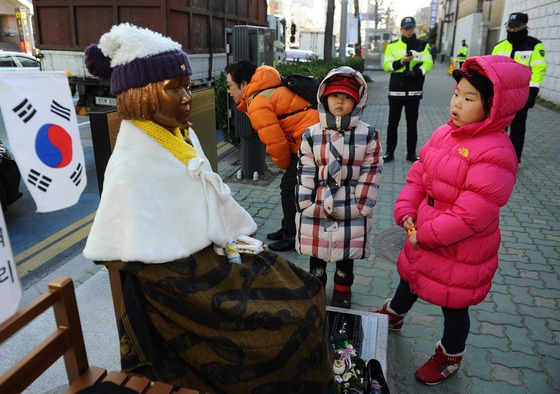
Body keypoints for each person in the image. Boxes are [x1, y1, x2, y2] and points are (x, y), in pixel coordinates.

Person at [83, 23, 333, 393]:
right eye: (174, 88)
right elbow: (144, 255)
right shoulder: (132, 160)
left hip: (210, 255)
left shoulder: (178, 134)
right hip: (177, 282)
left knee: (308, 288)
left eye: (187, 86)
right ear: (141, 95)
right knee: (293, 320)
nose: (187, 97)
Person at [373, 55, 530, 385]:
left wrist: (426, 234)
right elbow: (419, 176)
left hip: (462, 246)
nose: (457, 103)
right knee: (412, 275)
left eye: (469, 98)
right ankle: (395, 314)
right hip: (426, 230)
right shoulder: (447, 133)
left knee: (455, 303)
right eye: (456, 93)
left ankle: (451, 354)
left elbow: (471, 215)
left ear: (493, 106)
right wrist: (406, 209)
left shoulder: (497, 152)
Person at [296, 66, 383, 309]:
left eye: (346, 97)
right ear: (324, 98)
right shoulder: (311, 134)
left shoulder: (368, 134)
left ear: (356, 101)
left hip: (351, 203)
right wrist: (306, 202)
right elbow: (306, 169)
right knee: (317, 253)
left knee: (347, 254)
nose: (340, 102)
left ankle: (343, 292)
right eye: (335, 96)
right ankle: (316, 289)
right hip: (318, 201)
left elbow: (371, 169)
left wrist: (362, 205)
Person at [225, 60, 319, 251]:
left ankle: (292, 236)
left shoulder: (258, 102)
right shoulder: (266, 88)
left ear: (243, 84)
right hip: (309, 136)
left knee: (288, 186)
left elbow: (275, 143)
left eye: (230, 86)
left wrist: (285, 165)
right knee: (291, 185)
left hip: (309, 141)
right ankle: (287, 228)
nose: (229, 91)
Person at [492, 12, 547, 162]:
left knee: (517, 129)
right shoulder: (499, 46)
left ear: (524, 26)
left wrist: (532, 94)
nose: (512, 30)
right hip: (501, 95)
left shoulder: (534, 46)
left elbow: (538, 70)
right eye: (510, 27)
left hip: (521, 95)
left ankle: (514, 160)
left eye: (516, 27)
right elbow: (491, 70)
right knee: (498, 128)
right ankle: (497, 157)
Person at [382, 16, 433, 163]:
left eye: (411, 28)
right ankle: (389, 151)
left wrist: (414, 73)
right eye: (406, 28)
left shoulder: (423, 45)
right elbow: (386, 66)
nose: (408, 31)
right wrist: (401, 62)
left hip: (414, 91)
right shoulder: (392, 46)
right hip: (396, 91)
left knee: (412, 124)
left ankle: (411, 153)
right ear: (401, 29)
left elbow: (428, 64)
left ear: (414, 28)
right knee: (393, 123)